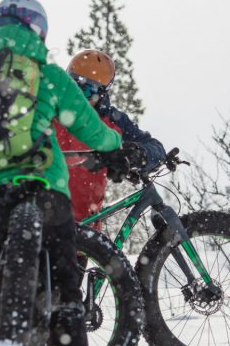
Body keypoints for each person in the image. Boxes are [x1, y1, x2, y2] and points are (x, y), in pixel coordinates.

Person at [0, 0, 128, 346]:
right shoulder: (48, 75)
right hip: (44, 189)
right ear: (38, 29)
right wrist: (114, 144)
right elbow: (86, 126)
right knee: (63, 284)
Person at [55, 49, 166, 228]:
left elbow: (155, 148)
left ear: (101, 93)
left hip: (85, 235)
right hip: (40, 229)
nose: (77, 96)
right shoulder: (47, 111)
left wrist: (136, 154)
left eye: (87, 90)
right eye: (72, 85)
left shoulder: (112, 121)